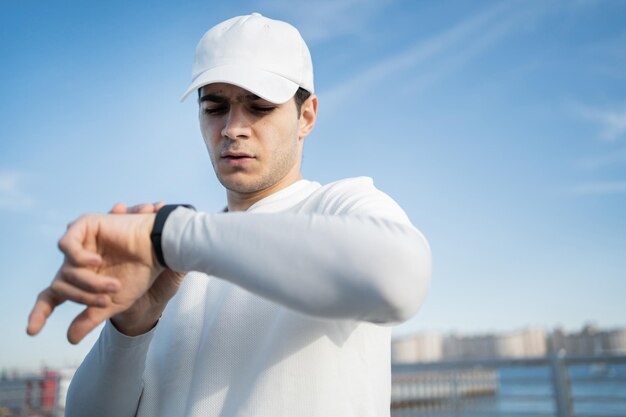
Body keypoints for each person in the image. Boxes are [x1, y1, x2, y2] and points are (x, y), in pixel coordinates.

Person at [27, 13, 432, 417]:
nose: (232, 128)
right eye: (215, 107)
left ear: (306, 116)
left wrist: (167, 235)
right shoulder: (173, 262)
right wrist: (131, 327)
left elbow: (400, 280)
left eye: (258, 107)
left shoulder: (340, 205)